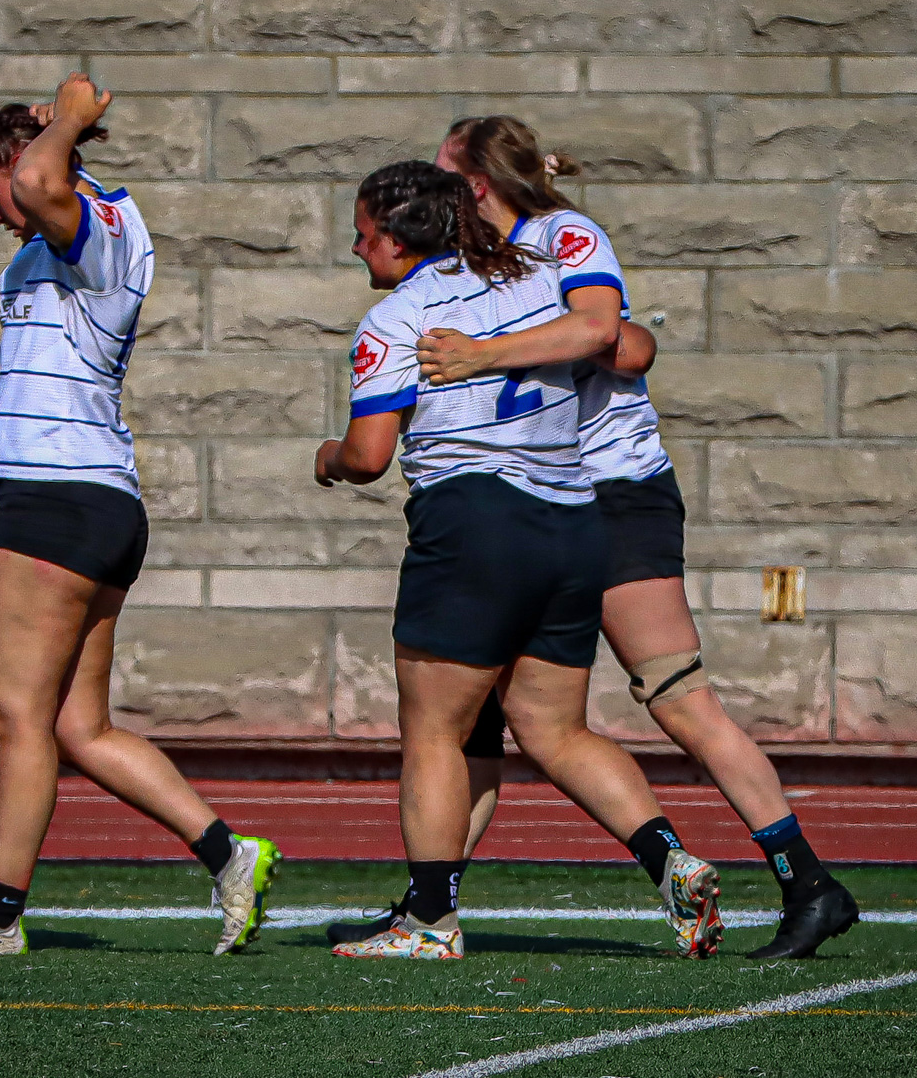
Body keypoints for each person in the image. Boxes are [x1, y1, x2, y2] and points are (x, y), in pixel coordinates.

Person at [353, 114, 859, 960]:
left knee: (672, 697)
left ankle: (805, 880)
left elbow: (613, 339)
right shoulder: (481, 263)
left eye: (445, 173)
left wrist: (483, 354)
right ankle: (426, 904)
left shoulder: (558, 237)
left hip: (610, 489)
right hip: (552, 501)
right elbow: (622, 342)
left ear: (475, 184)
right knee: (493, 725)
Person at [0, 74, 279, 958]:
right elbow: (36, 188)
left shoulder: (94, 227)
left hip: (57, 500)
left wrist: (64, 119)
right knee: (78, 727)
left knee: (18, 718)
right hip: (89, 500)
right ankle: (230, 854)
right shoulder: (45, 240)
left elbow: (37, 183)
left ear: (24, 166)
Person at [315, 159, 722, 961]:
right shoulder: (540, 282)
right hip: (572, 521)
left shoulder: (398, 317)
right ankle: (670, 859)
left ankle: (428, 924)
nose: (357, 249)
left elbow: (369, 456)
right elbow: (623, 341)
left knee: (435, 731)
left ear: (397, 237)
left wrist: (326, 457)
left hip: (474, 519)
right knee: (554, 729)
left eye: (362, 234)